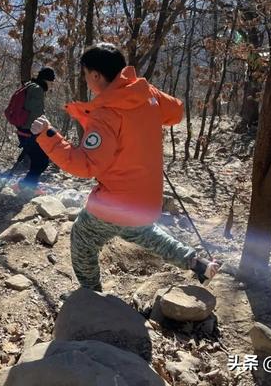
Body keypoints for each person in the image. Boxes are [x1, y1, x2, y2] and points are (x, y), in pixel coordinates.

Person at [30, 43, 219, 291]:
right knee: (140, 231)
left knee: (82, 237)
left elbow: (86, 165)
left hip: (115, 201)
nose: (86, 81)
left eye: (86, 75)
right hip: (147, 200)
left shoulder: (107, 113)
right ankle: (196, 262)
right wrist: (145, 92)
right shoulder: (146, 93)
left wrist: (47, 134)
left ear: (96, 75)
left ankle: (90, 294)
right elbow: (176, 112)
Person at [14, 66, 56, 194]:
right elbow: (36, 113)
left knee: (38, 160)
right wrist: (45, 127)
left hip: (23, 131)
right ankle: (25, 186)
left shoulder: (30, 86)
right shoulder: (37, 90)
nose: (51, 85)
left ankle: (28, 185)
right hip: (30, 133)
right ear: (47, 80)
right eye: (51, 82)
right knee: (42, 161)